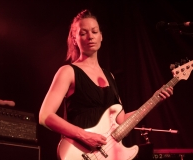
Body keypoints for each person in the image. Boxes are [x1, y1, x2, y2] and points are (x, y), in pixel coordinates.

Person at [39, 9, 173, 159]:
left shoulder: (110, 77)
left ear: (101, 36)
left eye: (94, 32)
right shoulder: (68, 71)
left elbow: (120, 121)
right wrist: (84, 135)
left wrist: (155, 100)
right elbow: (45, 116)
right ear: (74, 39)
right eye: (83, 33)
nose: (90, 36)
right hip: (78, 152)